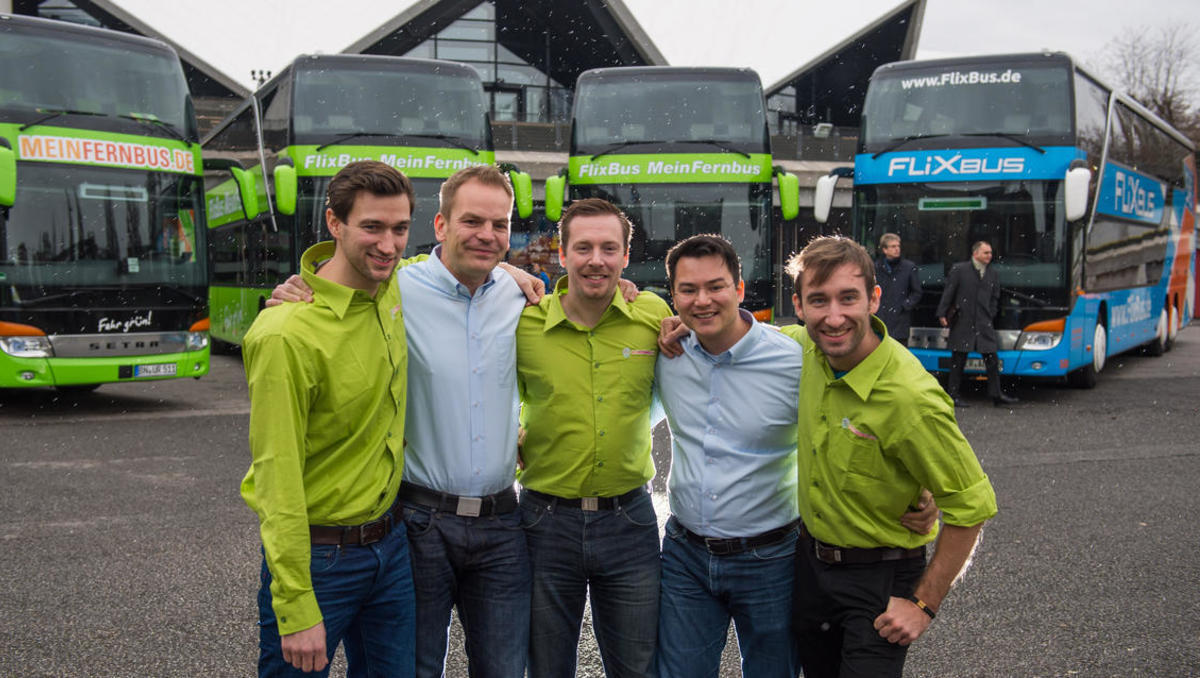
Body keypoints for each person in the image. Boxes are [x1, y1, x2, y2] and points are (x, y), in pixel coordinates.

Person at [270, 164, 542, 678]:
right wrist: (295, 291)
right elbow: (343, 279)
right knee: (413, 669)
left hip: (504, 522)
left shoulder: (523, 296)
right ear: (440, 226)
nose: (487, 234)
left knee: (506, 668)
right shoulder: (395, 286)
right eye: (472, 221)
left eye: (500, 224)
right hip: (419, 522)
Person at [653, 234, 936, 678]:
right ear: (673, 298)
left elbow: (869, 408)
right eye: (688, 290)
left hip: (771, 559)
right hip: (685, 556)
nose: (702, 300)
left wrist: (920, 485)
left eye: (716, 287)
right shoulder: (665, 352)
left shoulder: (797, 357)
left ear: (741, 289)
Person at [782, 235, 998, 678]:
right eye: (818, 301)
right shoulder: (800, 350)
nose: (834, 317)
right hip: (810, 568)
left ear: (874, 299)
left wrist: (924, 603)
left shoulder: (910, 398)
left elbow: (971, 505)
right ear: (799, 306)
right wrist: (666, 318)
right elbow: (732, 329)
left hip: (881, 578)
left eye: (848, 298)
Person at [241, 160, 416, 676]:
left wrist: (521, 273)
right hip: (319, 562)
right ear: (335, 224)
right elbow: (277, 478)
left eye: (400, 228)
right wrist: (295, 605)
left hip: (393, 548)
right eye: (372, 227)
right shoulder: (285, 334)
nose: (388, 245)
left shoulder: (396, 288)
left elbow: (465, 261)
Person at [515, 197, 670, 678]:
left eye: (609, 248)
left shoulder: (652, 314)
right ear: (561, 255)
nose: (596, 260)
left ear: (626, 256)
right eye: (583, 248)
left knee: (638, 668)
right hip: (544, 522)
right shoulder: (523, 320)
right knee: (545, 667)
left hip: (630, 522)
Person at [936, 241, 1018, 406]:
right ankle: (953, 395)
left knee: (992, 360)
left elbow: (995, 297)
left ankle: (996, 395)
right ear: (975, 254)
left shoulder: (992, 273)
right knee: (958, 361)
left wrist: (991, 313)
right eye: (986, 253)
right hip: (963, 321)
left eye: (990, 253)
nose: (989, 256)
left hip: (983, 323)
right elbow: (949, 293)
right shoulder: (960, 270)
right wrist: (942, 313)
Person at [873, 233, 922, 345]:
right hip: (881, 319)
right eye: (893, 246)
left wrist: (904, 305)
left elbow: (917, 292)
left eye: (898, 246)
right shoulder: (875, 267)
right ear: (885, 250)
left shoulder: (909, 267)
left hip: (900, 322)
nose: (897, 249)